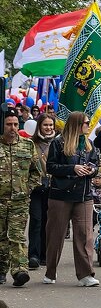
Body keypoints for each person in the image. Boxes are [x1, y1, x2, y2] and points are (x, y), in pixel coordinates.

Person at [44, 111, 101, 286]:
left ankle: (86, 275)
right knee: (55, 234)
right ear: (77, 124)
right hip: (60, 195)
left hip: (84, 194)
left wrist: (92, 170)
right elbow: (51, 167)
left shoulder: (89, 144)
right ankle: (50, 271)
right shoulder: (58, 142)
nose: (88, 125)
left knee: (85, 235)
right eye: (85, 123)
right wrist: (73, 168)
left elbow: (96, 165)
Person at [0, 109, 40, 287]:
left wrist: (27, 189)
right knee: (1, 237)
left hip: (19, 201)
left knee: (17, 236)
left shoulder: (27, 145)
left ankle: (19, 271)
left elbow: (36, 172)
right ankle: (1, 270)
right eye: (9, 124)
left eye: (16, 124)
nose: (13, 128)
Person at [27, 113, 57, 270]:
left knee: (49, 221)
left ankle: (46, 254)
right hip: (36, 188)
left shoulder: (58, 142)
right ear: (39, 126)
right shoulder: (31, 143)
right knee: (36, 220)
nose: (48, 128)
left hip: (53, 188)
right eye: (45, 125)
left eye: (51, 125)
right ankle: (33, 255)